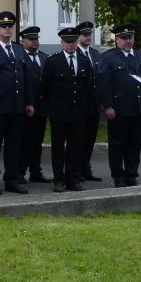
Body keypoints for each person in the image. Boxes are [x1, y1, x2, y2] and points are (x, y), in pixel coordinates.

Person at [0, 10, 35, 195]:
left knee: (14, 145)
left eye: (9, 26)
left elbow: (26, 77)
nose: (7, 29)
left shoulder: (19, 50)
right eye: (3, 26)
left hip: (17, 106)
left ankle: (11, 179)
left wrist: (29, 102)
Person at [97, 22, 141, 187]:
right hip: (119, 109)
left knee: (134, 145)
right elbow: (104, 84)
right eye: (124, 38)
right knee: (117, 145)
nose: (128, 41)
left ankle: (131, 175)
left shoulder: (140, 56)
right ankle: (118, 176)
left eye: (130, 37)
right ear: (117, 40)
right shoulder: (109, 57)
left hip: (137, 107)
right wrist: (108, 106)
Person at [41, 28, 94, 192]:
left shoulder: (84, 61)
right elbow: (45, 87)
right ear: (62, 43)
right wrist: (52, 106)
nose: (70, 45)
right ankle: (59, 180)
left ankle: (73, 179)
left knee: (76, 147)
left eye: (73, 42)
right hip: (59, 111)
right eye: (67, 42)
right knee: (58, 147)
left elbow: (89, 86)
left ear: (77, 42)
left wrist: (85, 107)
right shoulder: (53, 61)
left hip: (78, 111)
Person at [19, 26, 50, 183]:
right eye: (31, 39)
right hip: (25, 106)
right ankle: (20, 171)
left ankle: (35, 171)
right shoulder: (20, 57)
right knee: (24, 141)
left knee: (37, 141)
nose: (35, 42)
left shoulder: (45, 58)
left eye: (36, 39)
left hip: (41, 106)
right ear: (22, 41)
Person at [75, 20, 103, 182]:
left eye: (89, 34)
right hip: (80, 104)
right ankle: (76, 169)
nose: (88, 37)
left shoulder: (96, 54)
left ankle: (86, 168)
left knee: (90, 138)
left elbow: (101, 79)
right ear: (78, 36)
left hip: (94, 104)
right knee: (78, 138)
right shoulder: (74, 54)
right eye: (84, 35)